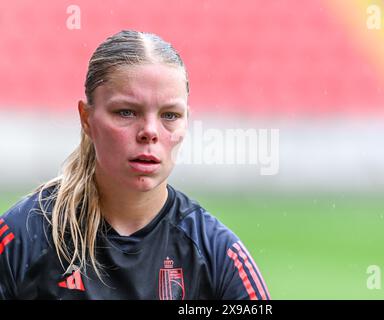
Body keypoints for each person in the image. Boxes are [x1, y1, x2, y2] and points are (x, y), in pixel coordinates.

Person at [0, 30, 270, 300]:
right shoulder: (21, 238)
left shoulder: (217, 255)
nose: (149, 132)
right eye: (126, 112)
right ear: (86, 119)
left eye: (170, 115)